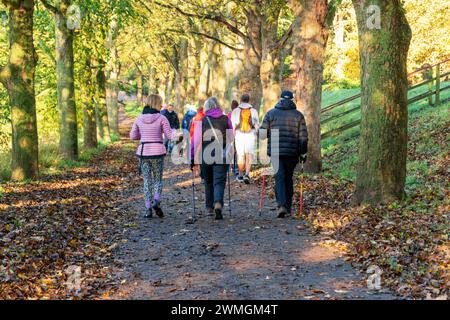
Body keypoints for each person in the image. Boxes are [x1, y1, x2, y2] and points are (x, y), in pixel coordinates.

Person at [259, 90, 308, 218]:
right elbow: (303, 137)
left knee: (279, 177)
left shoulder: (271, 113)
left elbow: (262, 134)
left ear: (280, 99)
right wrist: (303, 153)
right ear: (292, 100)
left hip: (275, 151)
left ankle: (281, 205)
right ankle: (288, 206)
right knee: (288, 178)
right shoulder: (298, 115)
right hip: (292, 152)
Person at [130, 94, 172, 219]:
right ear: (157, 104)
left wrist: (143, 136)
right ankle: (156, 201)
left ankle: (148, 209)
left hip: (143, 153)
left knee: (147, 181)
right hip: (157, 152)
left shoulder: (139, 119)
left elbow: (132, 136)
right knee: (158, 179)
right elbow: (170, 136)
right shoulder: (162, 118)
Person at [191, 97, 233, 220]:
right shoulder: (226, 119)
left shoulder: (203, 120)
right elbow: (231, 138)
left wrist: (192, 158)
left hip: (206, 155)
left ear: (206, 107)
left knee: (208, 181)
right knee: (219, 181)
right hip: (222, 154)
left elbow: (195, 141)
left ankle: (209, 207)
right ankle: (218, 203)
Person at [231, 94, 259, 184]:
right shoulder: (254, 111)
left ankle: (240, 174)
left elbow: (232, 125)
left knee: (240, 155)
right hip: (250, 135)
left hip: (239, 135)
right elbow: (256, 125)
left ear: (241, 100)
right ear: (249, 100)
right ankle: (247, 174)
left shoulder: (235, 111)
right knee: (249, 155)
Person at [228, 100, 239, 176]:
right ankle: (236, 168)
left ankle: (232, 167)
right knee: (237, 151)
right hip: (238, 134)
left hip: (230, 134)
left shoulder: (229, 114)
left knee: (232, 151)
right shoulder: (239, 113)